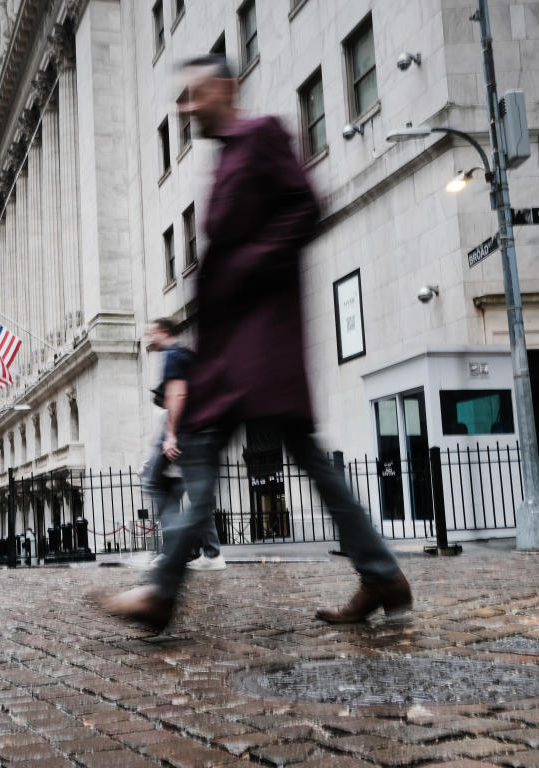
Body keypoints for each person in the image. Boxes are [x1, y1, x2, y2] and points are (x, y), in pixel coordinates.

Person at [102, 55, 411, 630]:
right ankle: (381, 575)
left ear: (225, 88)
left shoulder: (262, 135)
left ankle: (162, 593)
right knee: (281, 462)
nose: (186, 109)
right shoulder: (223, 159)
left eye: (193, 95)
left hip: (261, 345)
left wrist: (246, 265)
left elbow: (305, 208)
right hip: (232, 349)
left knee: (224, 457)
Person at [141, 318, 224, 571]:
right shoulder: (185, 354)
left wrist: (171, 435)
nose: (148, 337)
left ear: (163, 332)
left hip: (188, 432)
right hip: (199, 430)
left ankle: (178, 550)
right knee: (198, 497)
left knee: (155, 483)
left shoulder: (173, 354)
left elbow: (178, 394)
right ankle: (209, 553)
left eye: (151, 332)